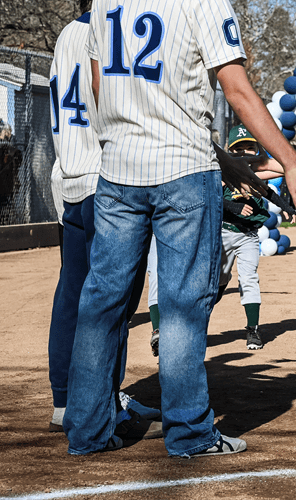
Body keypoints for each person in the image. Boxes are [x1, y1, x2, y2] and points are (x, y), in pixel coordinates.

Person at [64, 0, 296, 457]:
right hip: (182, 171)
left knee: (101, 300)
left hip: (118, 168)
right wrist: (292, 161)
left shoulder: (103, 1)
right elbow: (237, 90)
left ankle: (86, 432)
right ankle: (190, 434)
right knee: (184, 303)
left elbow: (99, 84)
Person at [47, 4, 161, 443]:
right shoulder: (112, 27)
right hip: (105, 176)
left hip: (69, 175)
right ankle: (102, 405)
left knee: (72, 292)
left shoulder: (65, 35)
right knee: (112, 301)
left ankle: (66, 402)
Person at [218, 125, 272, 350]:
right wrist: (233, 207)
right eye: (239, 148)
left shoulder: (260, 172)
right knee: (218, 280)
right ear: (230, 150)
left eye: (250, 147)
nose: (245, 152)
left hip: (249, 236)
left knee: (249, 279)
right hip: (224, 232)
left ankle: (253, 329)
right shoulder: (222, 172)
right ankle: (198, 323)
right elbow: (213, 199)